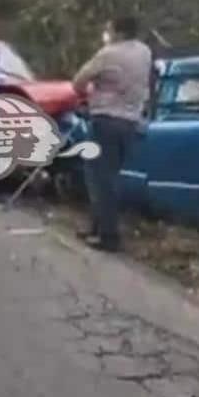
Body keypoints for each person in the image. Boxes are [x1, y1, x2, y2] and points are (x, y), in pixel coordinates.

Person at [73, 16, 152, 252]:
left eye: (108, 29)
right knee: (109, 176)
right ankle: (96, 228)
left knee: (100, 179)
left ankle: (108, 236)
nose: (106, 33)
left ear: (117, 32)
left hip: (106, 120)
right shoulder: (145, 52)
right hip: (130, 122)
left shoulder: (108, 53)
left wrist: (92, 90)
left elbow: (78, 82)